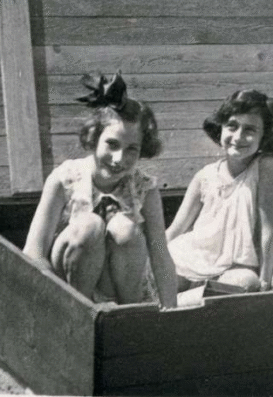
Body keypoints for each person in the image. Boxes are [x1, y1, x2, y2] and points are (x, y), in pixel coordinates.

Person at [23, 73, 177, 308]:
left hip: (122, 288)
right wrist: (50, 307)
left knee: (124, 228)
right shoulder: (64, 179)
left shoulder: (145, 189)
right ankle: (83, 316)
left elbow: (161, 256)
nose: (119, 159)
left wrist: (171, 311)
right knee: (90, 225)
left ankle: (129, 316)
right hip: (70, 288)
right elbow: (33, 253)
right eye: (112, 144)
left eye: (132, 149)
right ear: (94, 137)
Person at [165, 90, 273, 295]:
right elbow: (175, 230)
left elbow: (268, 230)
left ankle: (190, 299)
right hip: (193, 258)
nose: (238, 137)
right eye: (232, 126)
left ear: (263, 136)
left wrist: (265, 280)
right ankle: (189, 297)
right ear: (220, 128)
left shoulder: (264, 167)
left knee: (246, 282)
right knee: (162, 276)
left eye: (250, 130)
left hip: (235, 267)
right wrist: (152, 256)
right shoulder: (205, 176)